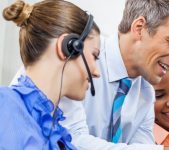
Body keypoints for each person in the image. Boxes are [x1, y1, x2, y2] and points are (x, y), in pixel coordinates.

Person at [59, 0, 169, 149]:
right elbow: (71, 140)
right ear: (139, 28)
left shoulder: (146, 92)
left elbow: (142, 145)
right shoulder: (82, 60)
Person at [0, 0, 100, 149]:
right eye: (94, 55)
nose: (97, 72)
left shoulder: (60, 138)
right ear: (68, 46)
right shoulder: (5, 107)